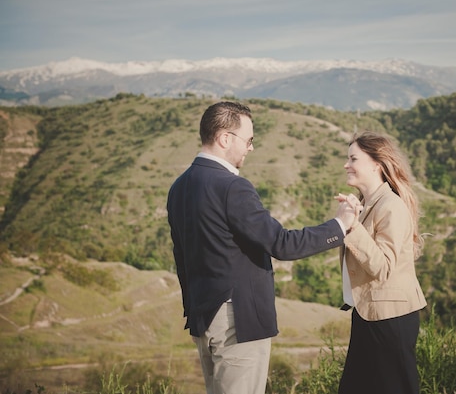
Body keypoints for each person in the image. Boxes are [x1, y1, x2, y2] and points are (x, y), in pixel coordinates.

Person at [166, 101, 360, 394]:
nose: (251, 148)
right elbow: (281, 244)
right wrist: (339, 225)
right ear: (224, 138)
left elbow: (181, 256)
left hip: (204, 319)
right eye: (249, 140)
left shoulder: (179, 187)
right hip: (237, 322)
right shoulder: (233, 187)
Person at [336, 131, 428, 394]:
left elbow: (383, 267)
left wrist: (353, 227)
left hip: (391, 319)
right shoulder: (368, 204)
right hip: (368, 314)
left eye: (353, 158)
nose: (346, 165)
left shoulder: (391, 206)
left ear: (376, 164)